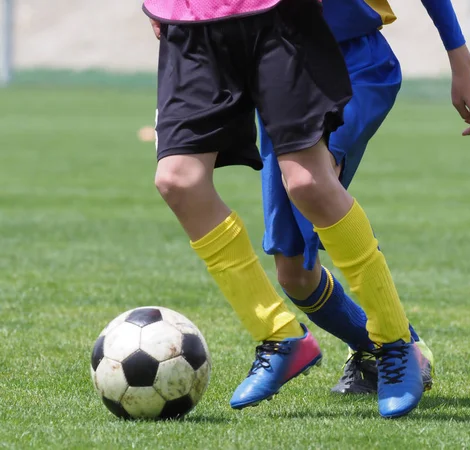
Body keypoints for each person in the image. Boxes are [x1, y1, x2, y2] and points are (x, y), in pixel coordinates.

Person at [143, 0, 443, 418]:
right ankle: (280, 336)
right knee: (177, 179)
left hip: (278, 14)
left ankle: (395, 343)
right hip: (191, 16)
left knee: (307, 181)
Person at [258, 0, 470, 394]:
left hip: (356, 63)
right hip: (278, 72)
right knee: (294, 274)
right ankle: (378, 348)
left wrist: (460, 60)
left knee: (312, 181)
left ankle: (399, 347)